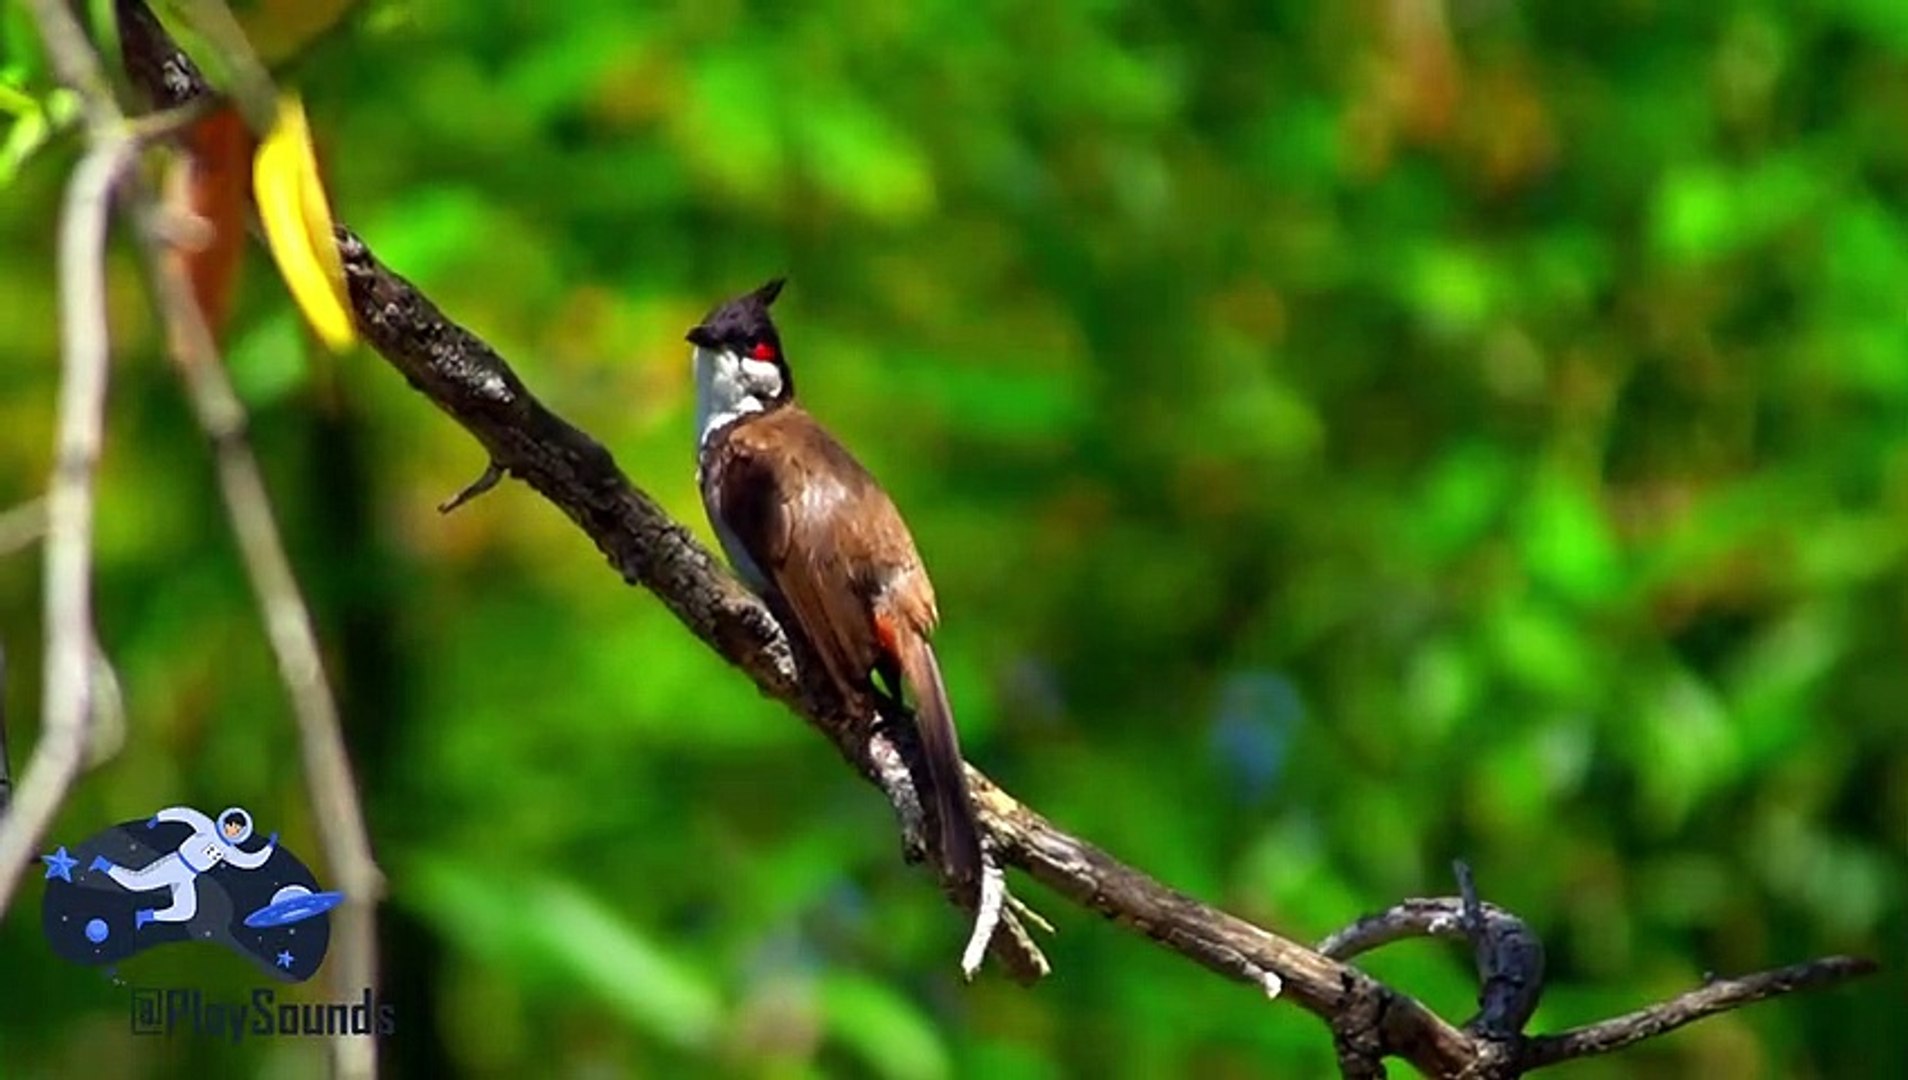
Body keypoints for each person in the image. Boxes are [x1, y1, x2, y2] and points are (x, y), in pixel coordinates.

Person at [89, 806, 277, 928]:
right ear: (226, 822)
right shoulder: (207, 828)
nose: (232, 830)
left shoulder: (229, 850)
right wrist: (160, 817)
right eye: (232, 825)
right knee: (137, 883)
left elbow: (249, 861)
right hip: (177, 863)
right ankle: (104, 865)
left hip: (188, 875)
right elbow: (186, 815)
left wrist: (268, 848)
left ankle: (146, 916)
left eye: (237, 829)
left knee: (186, 911)